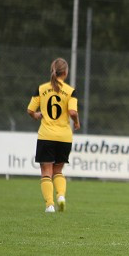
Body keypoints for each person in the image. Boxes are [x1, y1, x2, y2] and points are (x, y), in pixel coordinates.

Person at [27, 58, 80, 213]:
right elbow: (72, 112)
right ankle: (61, 196)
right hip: (64, 137)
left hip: (46, 135)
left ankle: (50, 205)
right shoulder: (70, 91)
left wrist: (36, 115)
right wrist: (76, 122)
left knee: (46, 172)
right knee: (58, 171)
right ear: (65, 72)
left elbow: (30, 110)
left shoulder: (42, 88)